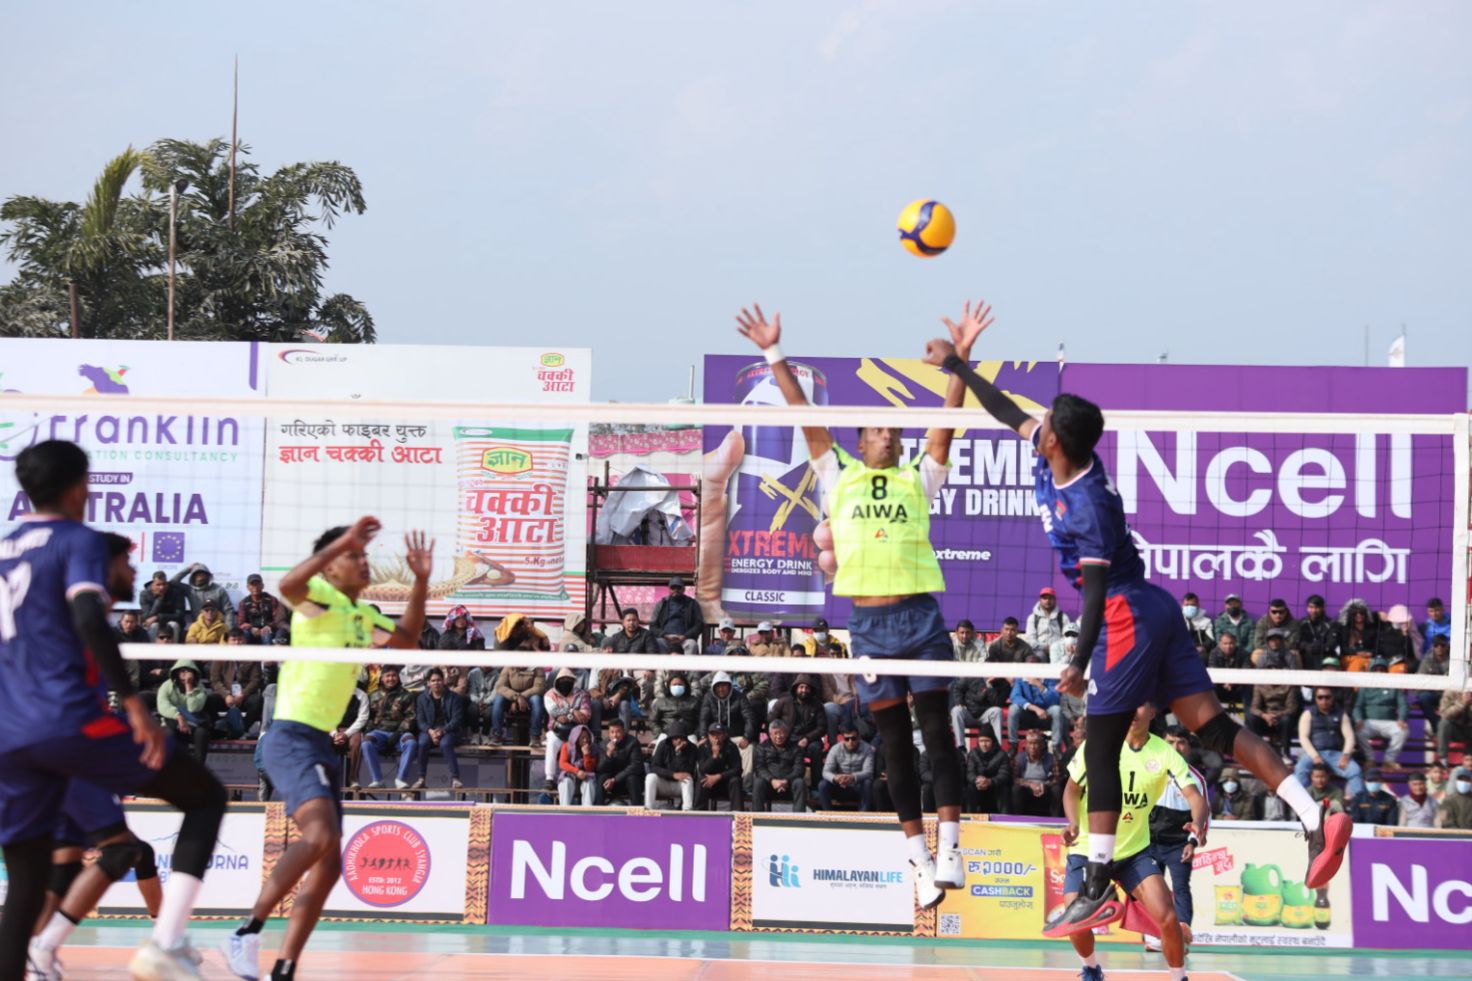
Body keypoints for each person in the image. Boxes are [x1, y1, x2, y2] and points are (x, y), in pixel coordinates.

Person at [926, 323, 1351, 937]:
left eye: (1045, 421)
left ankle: (1097, 883)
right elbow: (1006, 410)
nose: (1035, 424)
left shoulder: (1089, 503)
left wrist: (1079, 659)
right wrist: (960, 368)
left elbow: (1097, 590)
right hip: (1153, 607)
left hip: (1126, 612)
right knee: (1215, 728)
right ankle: (1315, 817)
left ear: (1055, 439)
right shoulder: (1057, 456)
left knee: (1100, 746)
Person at [739, 299, 978, 909]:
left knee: (937, 734)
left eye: (895, 433)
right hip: (869, 626)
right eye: (878, 431)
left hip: (920, 618)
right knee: (893, 744)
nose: (889, 437)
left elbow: (947, 422)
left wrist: (960, 360)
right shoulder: (837, 474)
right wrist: (773, 351)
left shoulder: (918, 478)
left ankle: (952, 847)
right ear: (860, 442)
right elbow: (803, 413)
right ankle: (919, 861)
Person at [0, 441, 227, 980]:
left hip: (9, 733)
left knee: (27, 881)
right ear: (81, 486)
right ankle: (166, 943)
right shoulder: (76, 539)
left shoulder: (6, 550)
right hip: (65, 722)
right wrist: (132, 703)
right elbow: (87, 613)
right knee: (205, 797)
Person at [223, 517, 431, 981]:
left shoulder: (363, 616)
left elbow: (406, 641)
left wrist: (420, 583)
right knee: (318, 838)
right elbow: (287, 585)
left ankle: (284, 968)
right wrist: (342, 541)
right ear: (330, 566)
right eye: (353, 555)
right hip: (290, 736)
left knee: (330, 863)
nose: (363, 561)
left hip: (321, 743)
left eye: (363, 554)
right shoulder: (318, 597)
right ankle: (245, 932)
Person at [1052, 703, 1204, 981]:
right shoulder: (1097, 745)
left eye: (1140, 705)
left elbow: (1194, 795)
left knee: (1169, 917)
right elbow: (1071, 790)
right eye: (1127, 705)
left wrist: (1198, 822)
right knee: (1075, 919)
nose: (1133, 712)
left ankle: (1179, 977)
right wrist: (1073, 822)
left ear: (1153, 712)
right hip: (1088, 849)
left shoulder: (1165, 753)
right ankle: (1091, 969)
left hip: (1133, 853)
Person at [359, 665, 417, 789]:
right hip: (379, 732)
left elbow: (410, 717)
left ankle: (401, 779)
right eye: (388, 676)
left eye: (394, 675)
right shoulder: (373, 695)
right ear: (382, 678)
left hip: (400, 733)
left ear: (398, 677)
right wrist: (369, 729)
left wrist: (398, 733)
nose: (391, 679)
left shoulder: (407, 695)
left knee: (411, 743)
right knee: (366, 743)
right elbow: (368, 717)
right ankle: (377, 779)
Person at [412, 667, 466, 790]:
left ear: (443, 681)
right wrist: (430, 731)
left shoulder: (454, 697)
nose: (436, 683)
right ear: (428, 683)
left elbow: (456, 720)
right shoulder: (421, 698)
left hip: (449, 730)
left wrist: (442, 731)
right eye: (433, 681)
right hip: (429, 730)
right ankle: (421, 778)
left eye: (439, 680)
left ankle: (455, 779)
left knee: (445, 744)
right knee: (422, 742)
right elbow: (420, 721)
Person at [752, 719, 809, 813]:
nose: (779, 736)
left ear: (786, 733)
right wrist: (772, 780)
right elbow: (759, 768)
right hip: (769, 785)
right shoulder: (762, 748)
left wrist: (786, 780)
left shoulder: (796, 748)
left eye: (782, 733)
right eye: (776, 733)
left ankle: (799, 817)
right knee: (758, 782)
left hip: (789, 785)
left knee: (800, 783)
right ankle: (757, 817)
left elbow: (799, 769)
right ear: (770, 734)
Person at [818, 726, 876, 811]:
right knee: (823, 785)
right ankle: (828, 814)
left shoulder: (867, 749)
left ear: (859, 738)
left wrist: (852, 777)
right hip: (840, 786)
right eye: (847, 739)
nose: (850, 741)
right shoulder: (835, 749)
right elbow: (826, 771)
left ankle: (864, 814)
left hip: (858, 786)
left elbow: (868, 772)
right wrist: (836, 778)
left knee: (868, 782)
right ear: (843, 739)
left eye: (853, 738)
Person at [644, 721, 698, 811]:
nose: (678, 740)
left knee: (688, 779)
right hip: (663, 783)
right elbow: (654, 767)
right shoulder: (663, 745)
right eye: (675, 738)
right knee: (650, 777)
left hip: (680, 785)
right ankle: (649, 809)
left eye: (681, 737)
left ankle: (687, 810)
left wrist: (679, 754)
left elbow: (689, 771)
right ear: (671, 738)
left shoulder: (692, 748)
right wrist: (673, 774)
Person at [694, 722, 745, 811]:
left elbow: (737, 769)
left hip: (726, 783)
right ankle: (699, 812)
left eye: (718, 734)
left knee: (735, 781)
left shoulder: (731, 747)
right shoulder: (703, 747)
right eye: (712, 734)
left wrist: (719, 776)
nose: (715, 737)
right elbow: (702, 769)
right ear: (708, 736)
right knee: (702, 780)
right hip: (710, 784)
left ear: (724, 735)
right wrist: (714, 757)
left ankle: (737, 812)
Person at [595, 718, 645, 805]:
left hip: (629, 782)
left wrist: (615, 779)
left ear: (623, 732)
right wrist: (608, 755)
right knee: (602, 777)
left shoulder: (633, 743)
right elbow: (600, 769)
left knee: (632, 778)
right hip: (612, 784)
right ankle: (597, 808)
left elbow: (635, 765)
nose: (615, 735)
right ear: (608, 733)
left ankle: (637, 809)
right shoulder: (603, 744)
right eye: (612, 732)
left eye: (618, 732)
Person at [650, 576, 704, 655]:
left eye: (678, 588)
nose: (676, 590)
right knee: (656, 643)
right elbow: (652, 626)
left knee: (692, 645)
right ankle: (663, 664)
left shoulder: (692, 604)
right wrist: (664, 635)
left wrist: (685, 636)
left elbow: (699, 625)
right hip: (665, 638)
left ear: (683, 589)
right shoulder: (661, 604)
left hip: (685, 639)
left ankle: (688, 664)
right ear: (669, 589)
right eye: (673, 588)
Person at [963, 730, 1011, 814]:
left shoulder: (1002, 755)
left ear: (993, 741)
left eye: (987, 741)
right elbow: (970, 772)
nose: (984, 744)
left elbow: (1004, 774)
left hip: (995, 787)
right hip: (978, 786)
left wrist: (989, 781)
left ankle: (1004, 819)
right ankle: (969, 817)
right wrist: (977, 780)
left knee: (1004, 789)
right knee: (969, 789)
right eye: (981, 741)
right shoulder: (973, 753)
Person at [238, 574, 287, 645]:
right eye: (252, 585)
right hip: (251, 631)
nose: (255, 587)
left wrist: (269, 626)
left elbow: (277, 619)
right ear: (248, 587)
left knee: (266, 634)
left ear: (262, 586)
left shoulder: (272, 600)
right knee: (244, 634)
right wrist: (251, 628)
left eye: (258, 584)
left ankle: (267, 653)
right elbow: (241, 623)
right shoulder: (244, 603)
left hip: (269, 630)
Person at [557, 724, 600, 806]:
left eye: (587, 737)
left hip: (586, 776)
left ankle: (587, 810)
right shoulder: (567, 746)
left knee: (589, 783)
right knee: (566, 782)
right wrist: (577, 771)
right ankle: (564, 810)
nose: (585, 740)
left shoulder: (593, 748)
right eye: (582, 738)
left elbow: (590, 769)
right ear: (576, 738)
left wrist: (586, 755)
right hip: (570, 775)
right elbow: (562, 764)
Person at [1024, 586, 1073, 657]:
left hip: (1058, 650)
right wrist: (1044, 647)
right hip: (1039, 650)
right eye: (1045, 598)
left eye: (1050, 598)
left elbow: (1067, 638)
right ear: (1040, 600)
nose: (1047, 601)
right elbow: (1030, 640)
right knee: (1036, 657)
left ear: (1055, 600)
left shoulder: (1063, 617)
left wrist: (1055, 648)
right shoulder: (1032, 618)